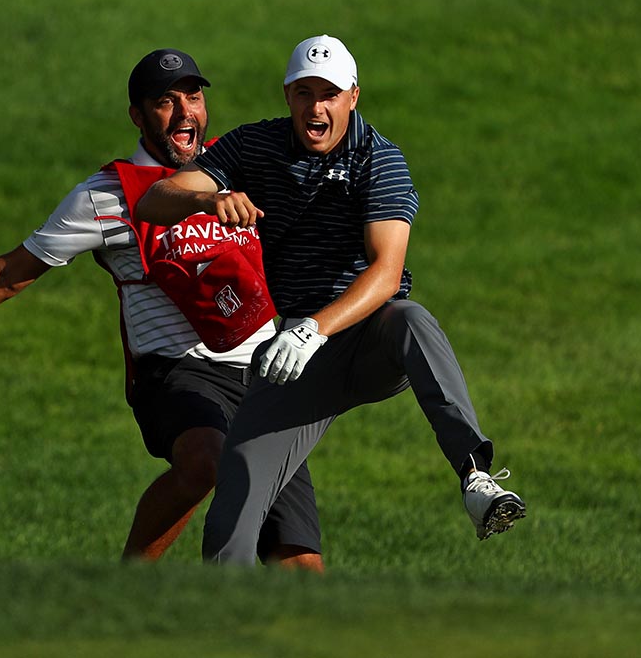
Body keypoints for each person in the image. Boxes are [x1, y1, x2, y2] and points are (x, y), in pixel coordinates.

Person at [0, 48, 324, 571]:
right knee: (206, 460)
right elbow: (10, 274)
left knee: (301, 567)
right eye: (165, 101)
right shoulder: (106, 196)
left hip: (265, 374)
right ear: (138, 117)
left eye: (193, 96)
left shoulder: (240, 163)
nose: (185, 111)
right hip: (175, 375)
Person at [137, 35, 527, 565]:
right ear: (287, 96)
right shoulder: (257, 146)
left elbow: (386, 274)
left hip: (364, 337)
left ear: (353, 97)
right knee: (234, 505)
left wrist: (312, 329)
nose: (315, 107)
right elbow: (152, 201)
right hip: (297, 357)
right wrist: (209, 197)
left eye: (329, 94)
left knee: (411, 318)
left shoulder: (380, 159)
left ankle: (475, 476)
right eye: (303, 93)